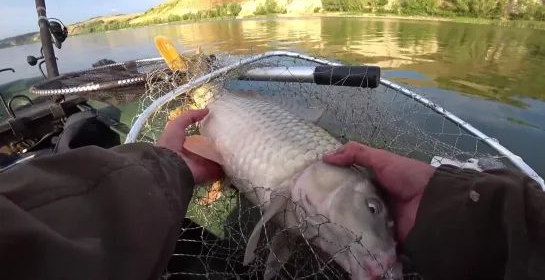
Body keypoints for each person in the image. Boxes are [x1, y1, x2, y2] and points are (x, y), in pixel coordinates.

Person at [0, 109, 543, 280]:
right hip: (232, 121)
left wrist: (170, 170)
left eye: (376, 209)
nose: (377, 221)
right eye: (373, 208)